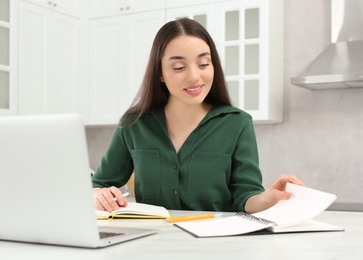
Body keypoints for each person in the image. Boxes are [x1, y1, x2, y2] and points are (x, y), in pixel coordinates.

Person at [92, 18, 304, 213]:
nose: (194, 76)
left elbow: (245, 197)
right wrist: (98, 195)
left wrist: (268, 198)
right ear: (159, 73)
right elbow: (98, 184)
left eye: (203, 64)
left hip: (216, 246)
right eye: (179, 67)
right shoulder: (134, 124)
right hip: (152, 245)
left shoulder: (237, 123)